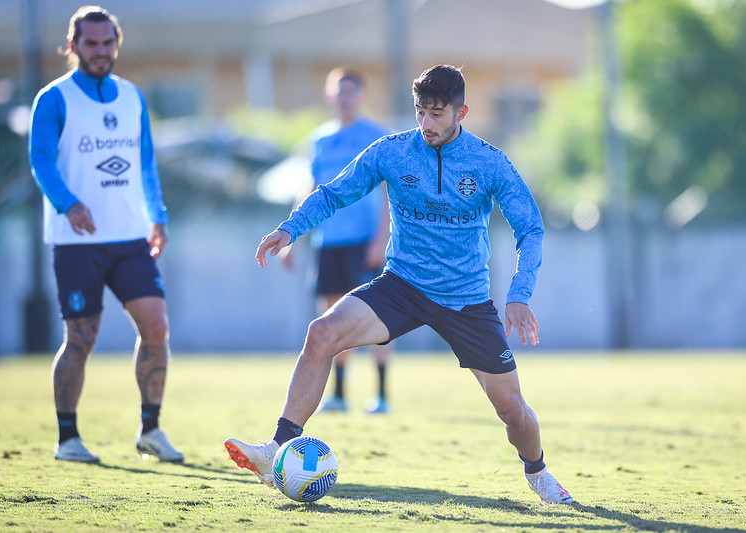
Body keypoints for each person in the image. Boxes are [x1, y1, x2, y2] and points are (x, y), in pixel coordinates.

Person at [225, 65, 572, 503]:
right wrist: (291, 229)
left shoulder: (489, 162)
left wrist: (519, 296)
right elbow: (336, 192)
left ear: (461, 112)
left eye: (438, 114)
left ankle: (538, 472)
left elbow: (531, 229)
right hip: (401, 286)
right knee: (322, 332)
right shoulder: (392, 151)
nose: (426, 123)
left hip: (466, 299)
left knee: (512, 411)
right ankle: (275, 449)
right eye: (421, 112)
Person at [28, 5, 183, 463]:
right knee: (81, 339)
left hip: (130, 237)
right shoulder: (54, 98)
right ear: (72, 46)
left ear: (117, 44)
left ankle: (150, 429)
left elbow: (146, 162)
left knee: (156, 327)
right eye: (90, 43)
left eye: (107, 43)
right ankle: (67, 438)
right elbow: (40, 160)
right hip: (77, 240)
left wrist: (157, 214)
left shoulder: (132, 97)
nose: (100, 51)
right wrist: (68, 204)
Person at [282, 67, 392, 414]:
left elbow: (390, 192)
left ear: (362, 96)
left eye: (351, 91)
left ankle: (382, 393)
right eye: (338, 91)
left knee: (376, 317)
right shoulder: (319, 140)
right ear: (330, 96)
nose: (344, 98)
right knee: (331, 318)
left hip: (364, 241)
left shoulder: (377, 136)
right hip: (328, 241)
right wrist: (292, 236)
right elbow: (309, 190)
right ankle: (340, 394)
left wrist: (381, 238)